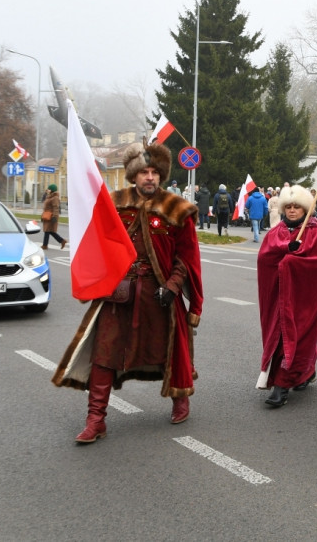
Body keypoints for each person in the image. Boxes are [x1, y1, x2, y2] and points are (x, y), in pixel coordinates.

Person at [52, 141, 203, 443]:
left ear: (161, 175)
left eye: (154, 172)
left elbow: (186, 258)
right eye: (143, 172)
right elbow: (98, 245)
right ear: (133, 176)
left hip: (159, 294)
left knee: (171, 351)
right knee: (104, 355)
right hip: (118, 294)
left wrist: (173, 287)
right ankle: (96, 420)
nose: (149, 177)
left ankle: (180, 399)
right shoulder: (113, 204)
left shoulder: (178, 209)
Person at [256, 185, 317, 408]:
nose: (292, 211)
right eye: (288, 207)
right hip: (277, 297)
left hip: (302, 298)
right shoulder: (275, 232)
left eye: (296, 207)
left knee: (298, 336)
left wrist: (292, 261)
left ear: (304, 209)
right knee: (278, 336)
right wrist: (284, 249)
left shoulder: (316, 233)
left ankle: (282, 385)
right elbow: (264, 259)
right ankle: (306, 369)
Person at [40, 184, 67, 250]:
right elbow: (46, 207)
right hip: (47, 215)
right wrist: (42, 215)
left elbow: (56, 208)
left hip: (51, 216)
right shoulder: (49, 197)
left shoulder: (55, 198)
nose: (47, 190)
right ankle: (62, 241)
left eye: (48, 189)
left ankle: (45, 245)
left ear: (52, 190)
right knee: (50, 231)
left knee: (48, 231)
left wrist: (54, 216)